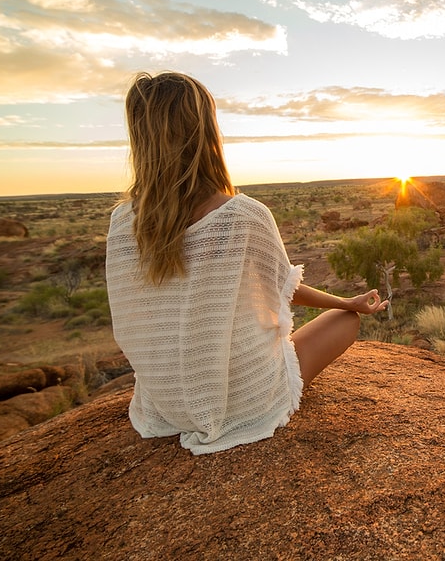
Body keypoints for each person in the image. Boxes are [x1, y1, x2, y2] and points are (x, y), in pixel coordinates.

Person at [105, 71, 389, 455]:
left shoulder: (123, 222)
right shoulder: (242, 215)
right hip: (241, 401)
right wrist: (347, 304)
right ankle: (258, 390)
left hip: (165, 403)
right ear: (204, 130)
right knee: (344, 323)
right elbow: (278, 289)